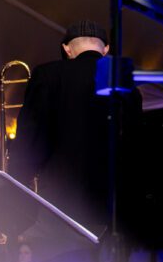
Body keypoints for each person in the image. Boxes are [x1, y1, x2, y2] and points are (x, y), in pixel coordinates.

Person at [10, 20, 135, 233]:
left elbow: (30, 138)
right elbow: (134, 144)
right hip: (113, 205)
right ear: (105, 50)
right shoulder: (123, 81)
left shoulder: (47, 74)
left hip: (60, 201)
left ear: (67, 49)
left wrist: (16, 183)